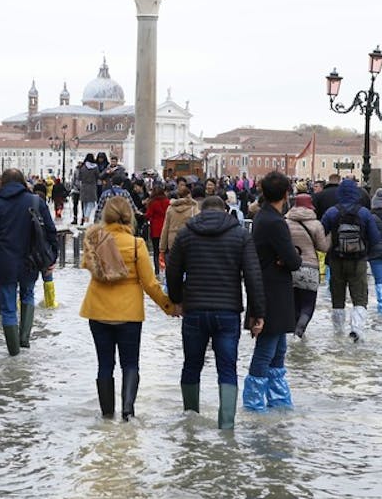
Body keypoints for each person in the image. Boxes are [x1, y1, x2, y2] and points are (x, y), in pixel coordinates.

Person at [167, 196, 265, 427]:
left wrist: (177, 300)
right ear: (226, 210)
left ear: (200, 211)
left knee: (191, 365)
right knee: (227, 368)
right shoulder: (240, 235)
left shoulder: (186, 233)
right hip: (227, 311)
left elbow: (172, 271)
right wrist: (257, 313)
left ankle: (191, 420)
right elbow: (253, 276)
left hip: (194, 310)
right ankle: (227, 425)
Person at [80, 197, 175, 421]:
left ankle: (106, 415)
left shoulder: (94, 239)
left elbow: (87, 266)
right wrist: (169, 306)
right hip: (129, 313)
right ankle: (128, 413)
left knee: (104, 363)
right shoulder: (136, 244)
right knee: (130, 363)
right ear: (129, 216)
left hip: (98, 311)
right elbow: (150, 284)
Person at [0, 169, 58, 355]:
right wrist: (52, 257)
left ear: (4, 183)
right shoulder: (35, 201)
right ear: (23, 182)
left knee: (8, 307)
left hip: (4, 262)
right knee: (28, 295)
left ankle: (13, 353)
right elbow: (51, 231)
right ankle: (24, 340)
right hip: (31, 259)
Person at [243, 173, 302, 412]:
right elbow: (294, 261)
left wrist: (287, 256)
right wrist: (292, 255)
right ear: (287, 194)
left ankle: (277, 401)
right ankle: (255, 403)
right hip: (273, 291)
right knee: (268, 348)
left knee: (278, 348)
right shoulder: (276, 222)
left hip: (269, 288)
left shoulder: (262, 216)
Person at [320, 178, 381, 342]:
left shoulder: (332, 212)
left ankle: (338, 332)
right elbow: (375, 238)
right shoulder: (364, 213)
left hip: (336, 260)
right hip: (358, 261)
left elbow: (320, 234)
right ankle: (356, 330)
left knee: (337, 298)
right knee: (360, 297)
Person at [284, 193, 330, 338]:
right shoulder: (316, 224)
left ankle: (293, 332)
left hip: (289, 268)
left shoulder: (285, 223)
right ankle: (300, 331)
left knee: (294, 304)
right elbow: (323, 247)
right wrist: (331, 237)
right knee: (308, 305)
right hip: (310, 268)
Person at [158, 185, 199, 265]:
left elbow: (165, 228)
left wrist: (162, 249)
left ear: (178, 196)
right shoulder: (193, 208)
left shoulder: (171, 208)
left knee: (174, 267)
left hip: (172, 242)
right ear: (189, 194)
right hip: (189, 241)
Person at [144, 186, 170, 276]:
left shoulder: (152, 202)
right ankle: (166, 269)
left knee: (156, 251)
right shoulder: (167, 201)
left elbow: (148, 215)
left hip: (155, 229)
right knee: (165, 250)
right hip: (165, 228)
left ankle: (157, 271)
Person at [78, 153, 100, 224]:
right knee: (91, 203)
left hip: (84, 187)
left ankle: (85, 217)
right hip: (92, 187)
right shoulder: (95, 167)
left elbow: (79, 177)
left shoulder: (82, 167)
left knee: (84, 204)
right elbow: (98, 176)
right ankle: (87, 218)